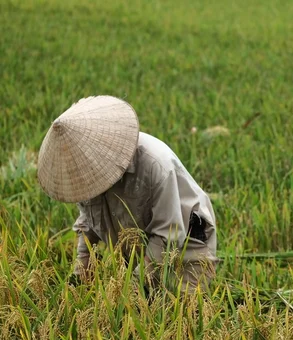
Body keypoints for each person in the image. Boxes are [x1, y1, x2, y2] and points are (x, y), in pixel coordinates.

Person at [37, 95, 218, 293]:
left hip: (186, 245)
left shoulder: (156, 165)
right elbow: (87, 221)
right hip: (134, 250)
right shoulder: (83, 171)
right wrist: (81, 272)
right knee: (134, 312)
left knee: (181, 310)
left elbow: (169, 235)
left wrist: (130, 287)